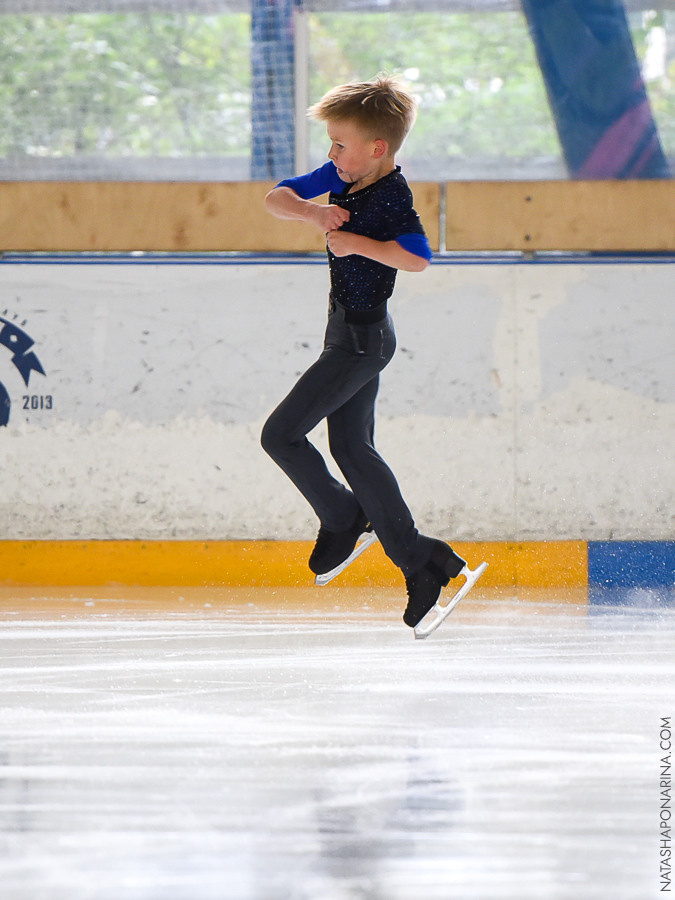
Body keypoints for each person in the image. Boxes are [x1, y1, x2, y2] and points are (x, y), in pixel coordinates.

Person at [261, 75, 478, 630]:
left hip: (363, 342)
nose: (331, 154)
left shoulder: (390, 197)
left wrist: (357, 242)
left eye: (339, 144)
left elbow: (419, 258)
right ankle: (424, 560)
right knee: (353, 448)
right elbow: (276, 197)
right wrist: (312, 213)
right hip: (345, 332)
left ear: (376, 148)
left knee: (280, 434)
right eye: (330, 144)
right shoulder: (338, 174)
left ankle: (343, 515)